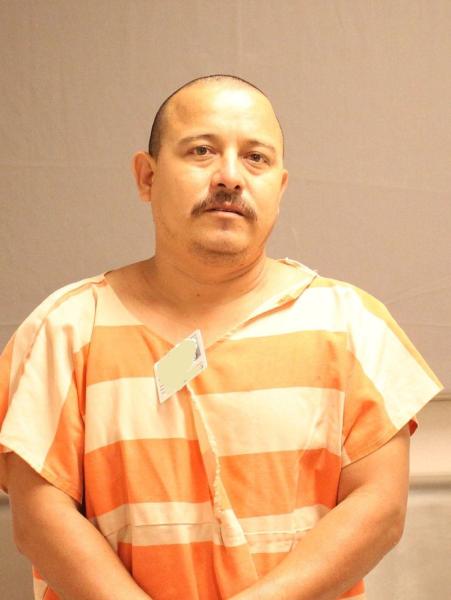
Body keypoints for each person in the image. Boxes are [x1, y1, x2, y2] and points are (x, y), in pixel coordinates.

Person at [0, 74, 443, 600]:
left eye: (255, 158)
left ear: (280, 186)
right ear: (147, 177)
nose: (230, 177)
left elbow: (380, 509)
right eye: (202, 151)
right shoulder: (65, 329)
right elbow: (39, 517)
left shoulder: (353, 325)